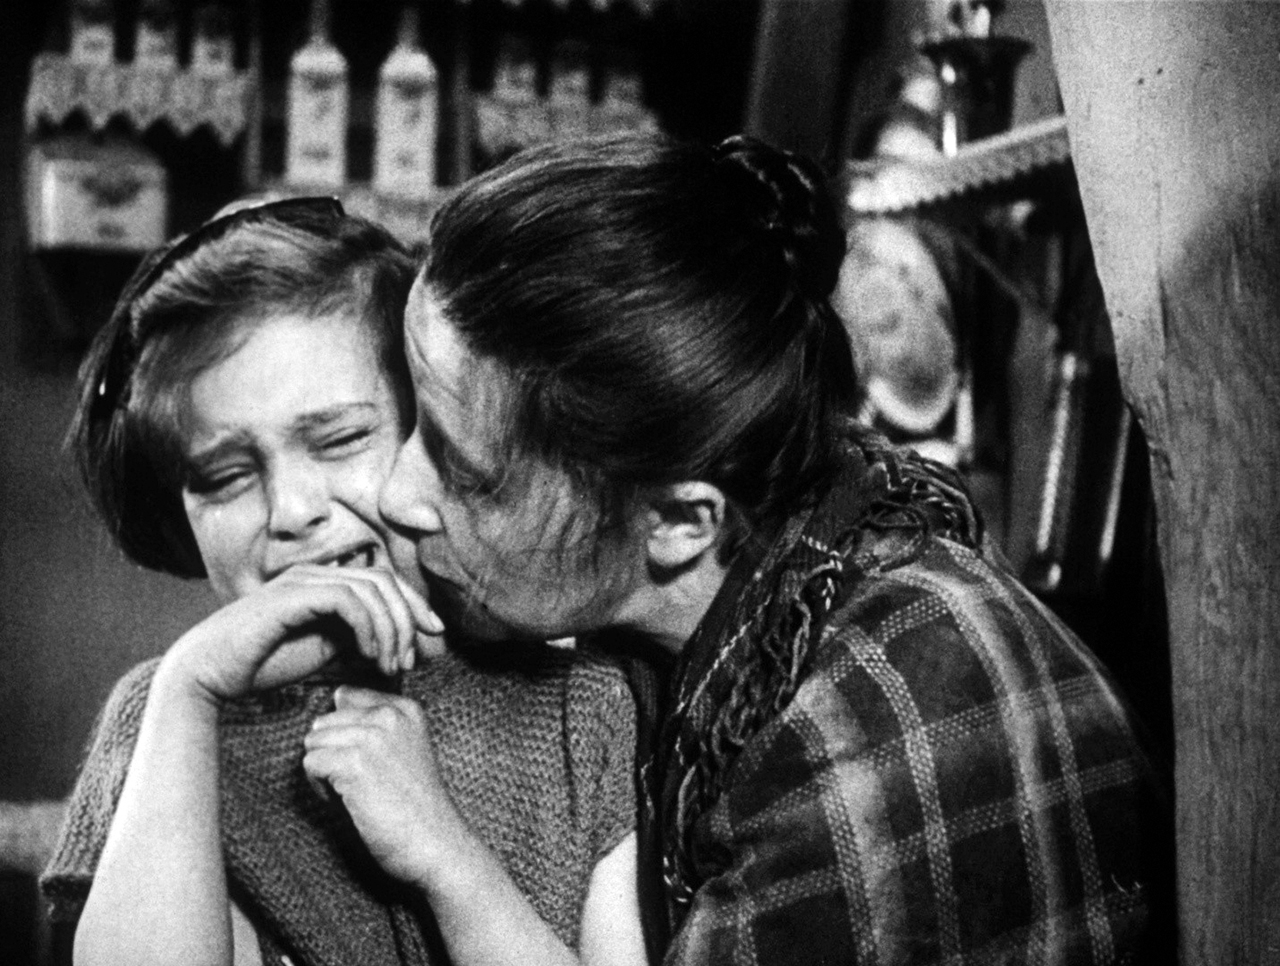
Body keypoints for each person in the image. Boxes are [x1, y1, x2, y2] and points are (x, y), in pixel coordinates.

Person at [376, 133, 1174, 965]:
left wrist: (449, 866)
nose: (395, 494)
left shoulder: (851, 760)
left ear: (680, 524)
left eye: (466, 473)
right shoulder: (805, 559)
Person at [41, 198, 646, 966]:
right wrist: (187, 691)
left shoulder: (583, 709)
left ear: (433, 434)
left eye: (339, 439)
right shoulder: (167, 719)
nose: (292, 512)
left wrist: (445, 857)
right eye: (225, 476)